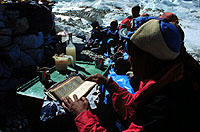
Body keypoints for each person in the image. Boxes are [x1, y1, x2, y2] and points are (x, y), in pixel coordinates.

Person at [61, 19, 200, 132]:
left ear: (148, 59)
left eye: (132, 54)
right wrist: (110, 85)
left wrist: (82, 115)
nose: (128, 59)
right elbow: (134, 108)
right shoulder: (165, 76)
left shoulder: (164, 105)